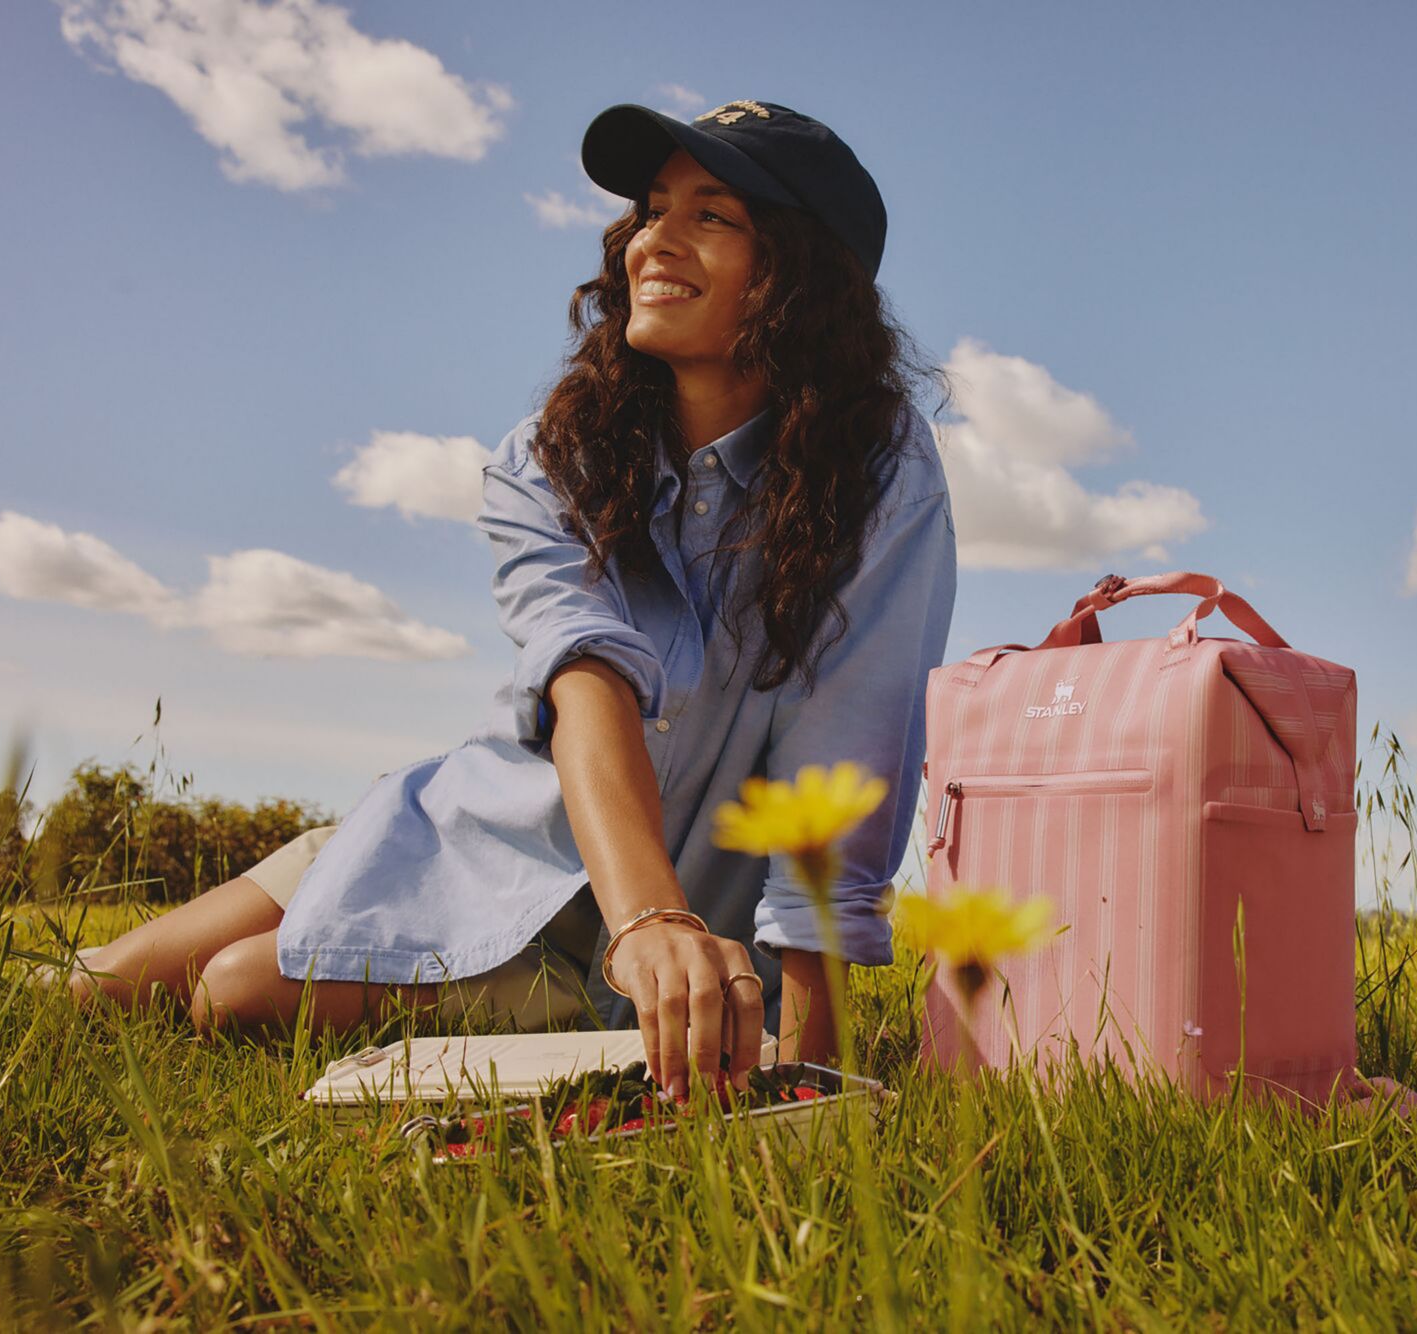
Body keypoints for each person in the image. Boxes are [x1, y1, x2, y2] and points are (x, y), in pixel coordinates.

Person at [66, 99, 958, 1100]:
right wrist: (651, 916)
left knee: (234, 989)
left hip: (594, 935)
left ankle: (572, 988)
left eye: (712, 216)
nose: (654, 238)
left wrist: (808, 1064)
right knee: (93, 986)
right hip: (462, 831)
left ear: (802, 276)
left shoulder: (879, 473)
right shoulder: (553, 455)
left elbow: (845, 748)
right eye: (652, 209)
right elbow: (587, 682)